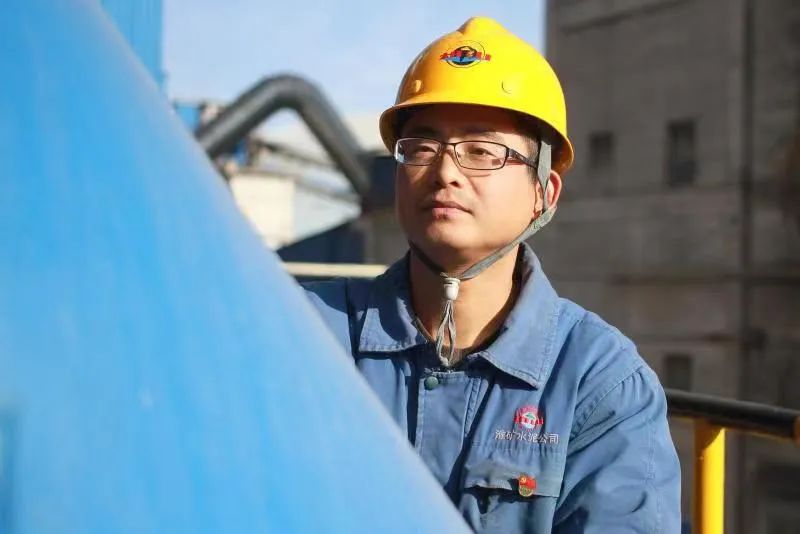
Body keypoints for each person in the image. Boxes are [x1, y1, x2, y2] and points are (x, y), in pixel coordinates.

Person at [304, 16, 681, 533]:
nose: (445, 172)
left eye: (482, 151)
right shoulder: (309, 332)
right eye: (422, 148)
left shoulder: (598, 383)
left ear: (544, 193)